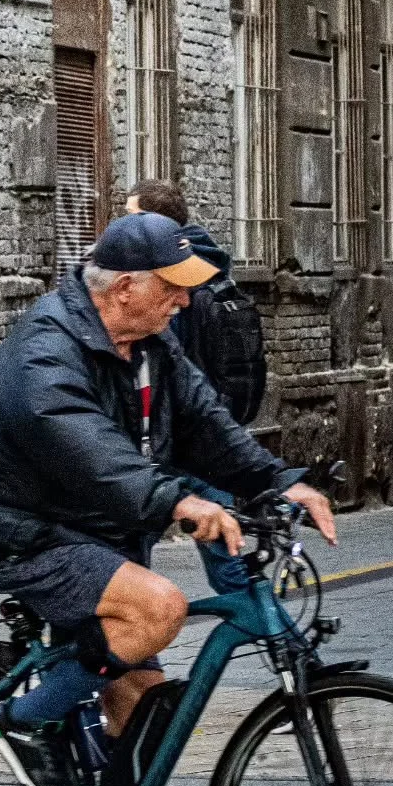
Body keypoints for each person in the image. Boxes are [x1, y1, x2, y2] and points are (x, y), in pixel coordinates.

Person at [0, 212, 337, 786]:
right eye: (173, 288)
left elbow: (209, 426)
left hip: (97, 537)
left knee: (148, 702)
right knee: (157, 608)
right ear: (125, 287)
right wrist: (177, 502)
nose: (184, 301)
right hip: (15, 536)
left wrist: (279, 482)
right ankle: (25, 724)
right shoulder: (43, 351)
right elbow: (89, 452)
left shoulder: (151, 343)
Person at [125, 179, 268, 594]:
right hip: (208, 428)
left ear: (155, 223)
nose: (124, 224)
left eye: (132, 216)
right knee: (226, 551)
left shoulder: (172, 279)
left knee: (132, 542)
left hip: (174, 435)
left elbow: (167, 361)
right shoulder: (214, 266)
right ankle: (280, 638)